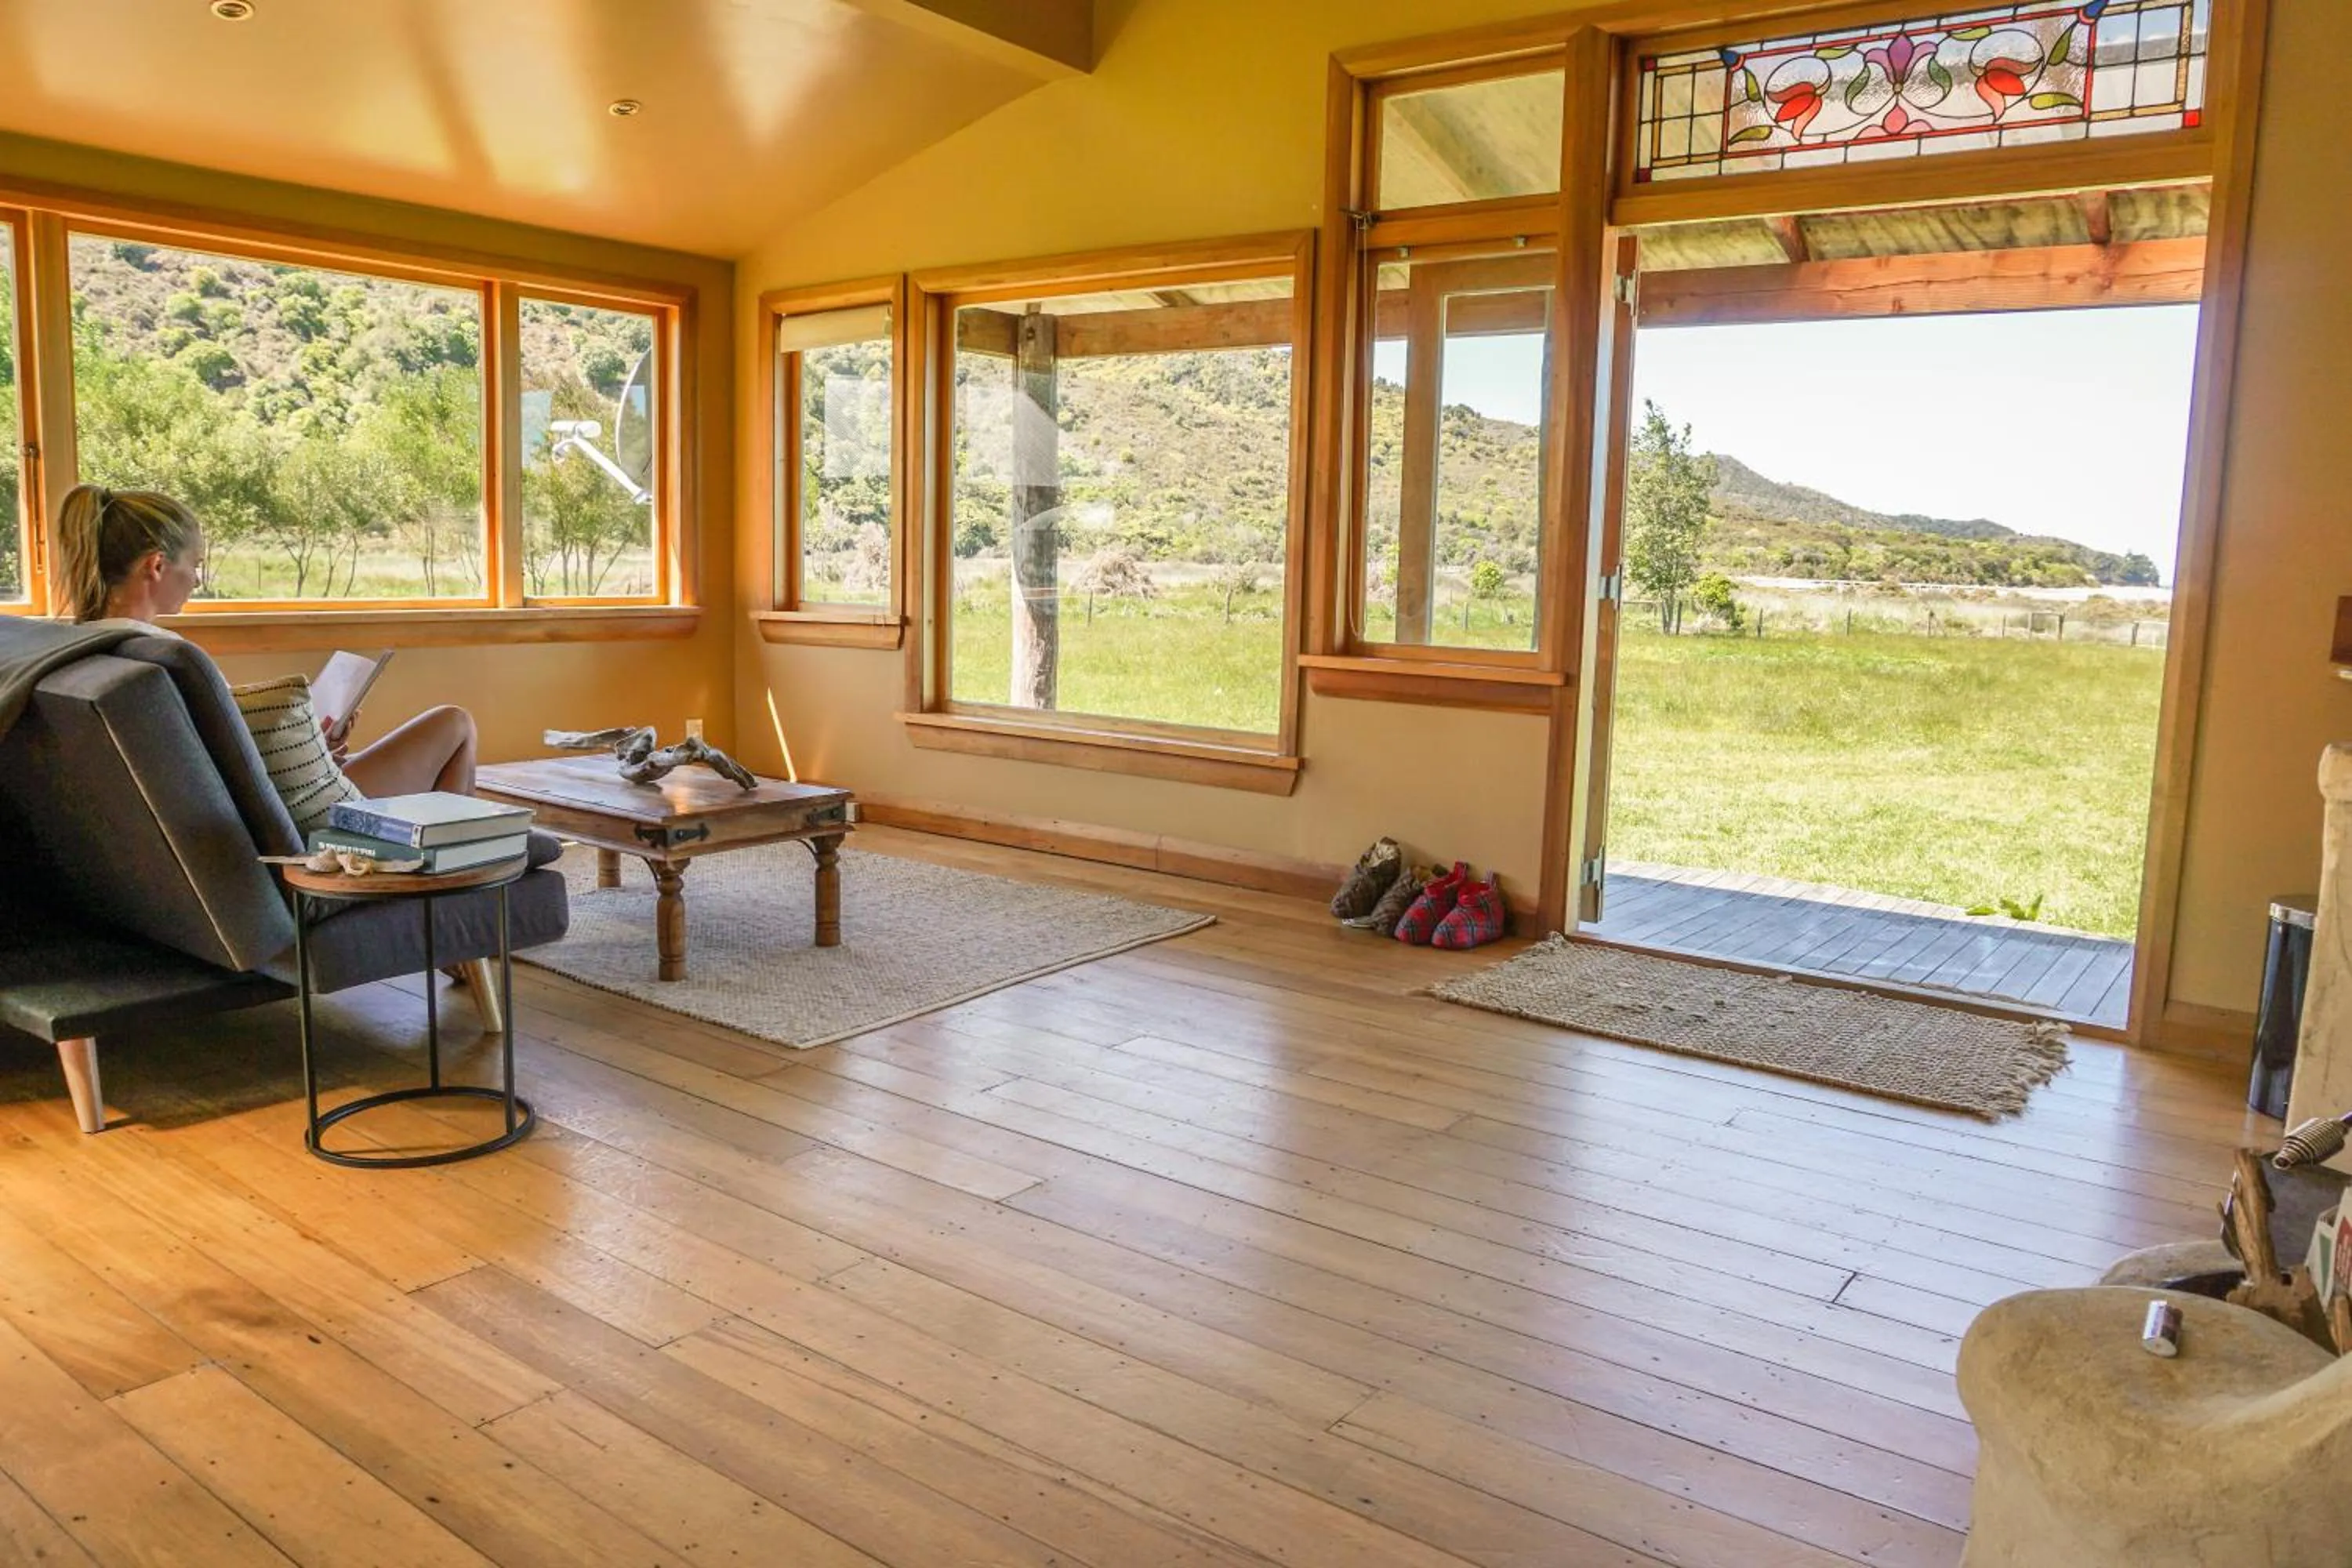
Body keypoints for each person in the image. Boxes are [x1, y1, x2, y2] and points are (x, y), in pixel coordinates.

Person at [53, 482, 477, 795]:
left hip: (262, 800)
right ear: (157, 566)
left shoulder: (75, 652)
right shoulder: (173, 662)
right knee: (454, 724)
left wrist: (315, 746)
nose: (197, 579)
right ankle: (464, 868)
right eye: (195, 565)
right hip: (306, 823)